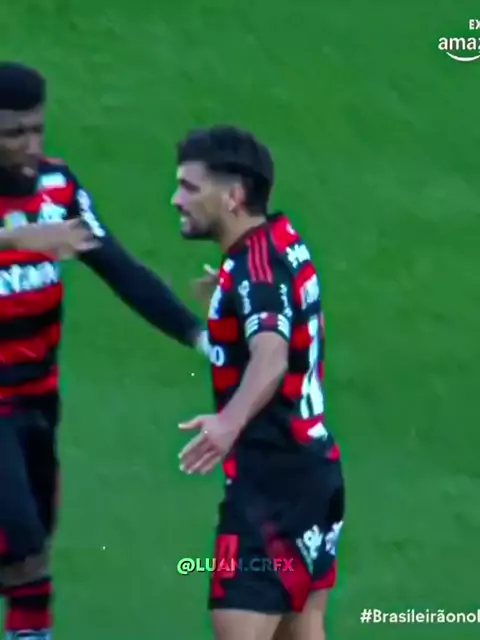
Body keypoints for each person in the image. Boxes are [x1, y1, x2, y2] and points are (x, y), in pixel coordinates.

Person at [0, 61, 206, 640]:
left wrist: (198, 336)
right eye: (14, 134)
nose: (31, 146)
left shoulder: (57, 187)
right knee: (24, 549)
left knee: (30, 552)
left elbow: (118, 267)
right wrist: (14, 237)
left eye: (37, 129)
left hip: (38, 399)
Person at [174, 125, 345, 640]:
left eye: (189, 187)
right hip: (313, 472)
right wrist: (229, 295)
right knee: (301, 626)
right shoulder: (280, 243)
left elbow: (271, 356)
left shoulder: (256, 271)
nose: (176, 200)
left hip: (273, 489)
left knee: (240, 624)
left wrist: (228, 422)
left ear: (233, 196)